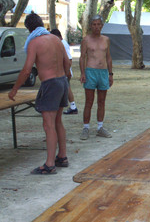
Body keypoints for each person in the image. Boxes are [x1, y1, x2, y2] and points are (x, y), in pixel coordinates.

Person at [8, 13, 71, 174]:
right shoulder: (56, 40)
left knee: (48, 124)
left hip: (50, 83)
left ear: (29, 28)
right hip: (62, 81)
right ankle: (62, 156)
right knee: (58, 121)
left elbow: (27, 69)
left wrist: (15, 89)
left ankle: (50, 164)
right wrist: (64, 78)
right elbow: (67, 62)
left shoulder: (35, 42)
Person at [79, 15, 113, 140]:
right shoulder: (86, 40)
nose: (96, 27)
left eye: (99, 24)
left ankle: (100, 127)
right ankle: (86, 128)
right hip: (90, 72)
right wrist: (83, 73)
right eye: (94, 24)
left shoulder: (106, 40)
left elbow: (108, 57)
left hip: (103, 72)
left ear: (102, 25)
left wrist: (110, 74)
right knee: (89, 101)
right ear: (90, 26)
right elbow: (82, 57)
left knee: (102, 101)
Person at [50, 29, 78, 115]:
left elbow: (69, 59)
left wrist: (67, 72)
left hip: (64, 72)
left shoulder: (62, 44)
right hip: (62, 71)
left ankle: (71, 107)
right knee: (66, 89)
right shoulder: (61, 43)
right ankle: (72, 107)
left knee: (65, 89)